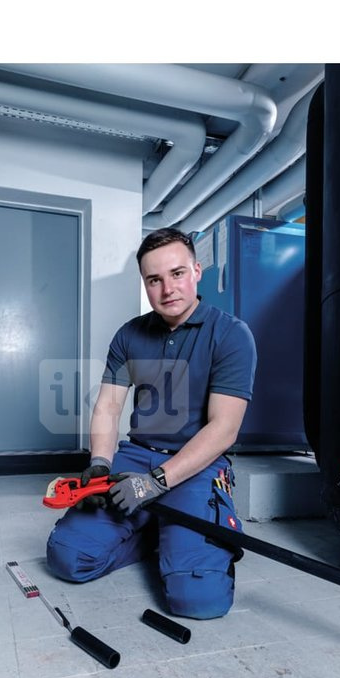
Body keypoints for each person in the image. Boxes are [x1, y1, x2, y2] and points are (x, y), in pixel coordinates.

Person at [45, 228, 257, 619]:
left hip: (197, 466)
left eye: (177, 274)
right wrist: (100, 465)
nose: (167, 289)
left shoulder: (231, 335)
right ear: (145, 283)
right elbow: (108, 406)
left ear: (197, 271)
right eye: (154, 279)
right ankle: (157, 533)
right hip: (137, 457)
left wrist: (154, 484)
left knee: (198, 600)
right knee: (68, 558)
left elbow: (223, 429)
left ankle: (176, 535)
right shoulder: (130, 335)